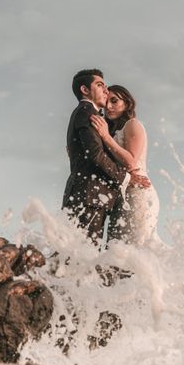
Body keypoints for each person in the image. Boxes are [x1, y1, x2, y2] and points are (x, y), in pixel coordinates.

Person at [62, 69, 150, 246]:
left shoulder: (108, 122)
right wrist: (126, 177)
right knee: (82, 253)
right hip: (89, 195)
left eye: (114, 100)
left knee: (83, 252)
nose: (105, 91)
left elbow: (96, 154)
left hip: (100, 196)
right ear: (85, 90)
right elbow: (95, 155)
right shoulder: (87, 113)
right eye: (100, 85)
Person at [91, 85, 160, 245]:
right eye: (107, 102)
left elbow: (130, 161)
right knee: (117, 251)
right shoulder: (112, 131)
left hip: (138, 193)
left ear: (127, 103)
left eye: (114, 101)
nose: (108, 106)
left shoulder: (132, 124)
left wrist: (105, 137)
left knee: (132, 250)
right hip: (121, 196)